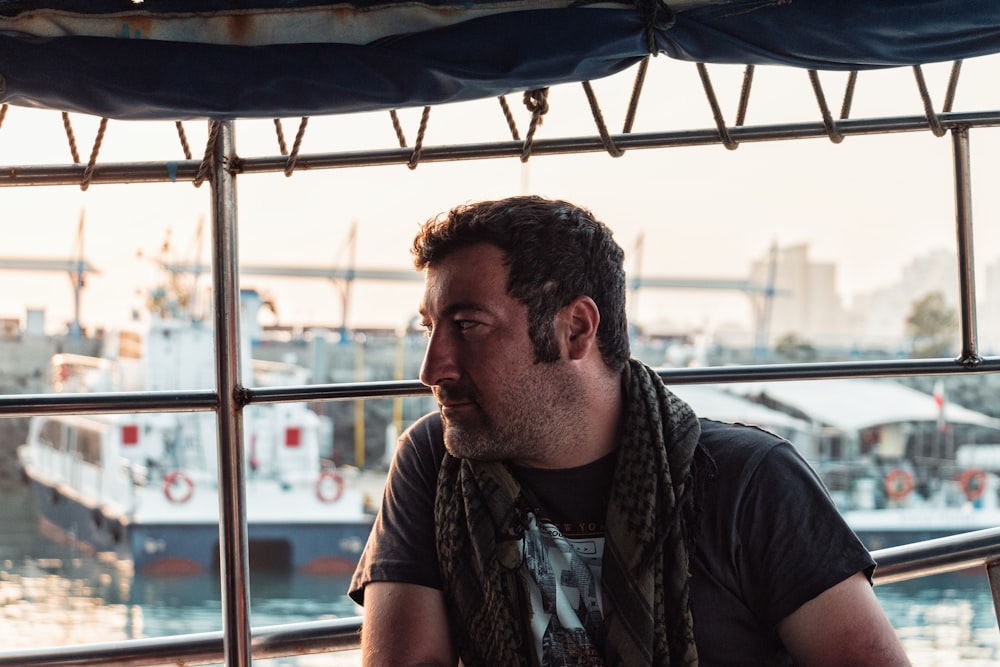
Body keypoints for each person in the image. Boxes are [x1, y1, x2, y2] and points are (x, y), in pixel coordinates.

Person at [348, 195, 910, 666]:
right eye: (430, 327)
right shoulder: (432, 460)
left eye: (467, 326)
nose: (431, 369)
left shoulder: (748, 479)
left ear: (575, 329)